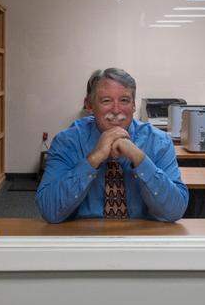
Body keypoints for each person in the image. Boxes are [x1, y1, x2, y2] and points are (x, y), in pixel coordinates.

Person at [36, 68, 188, 223]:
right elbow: (50, 211)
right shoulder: (67, 142)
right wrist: (94, 158)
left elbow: (174, 211)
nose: (116, 110)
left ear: (134, 105)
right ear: (89, 105)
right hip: (84, 240)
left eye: (124, 100)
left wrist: (139, 158)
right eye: (106, 101)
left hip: (142, 239)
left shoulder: (158, 142)